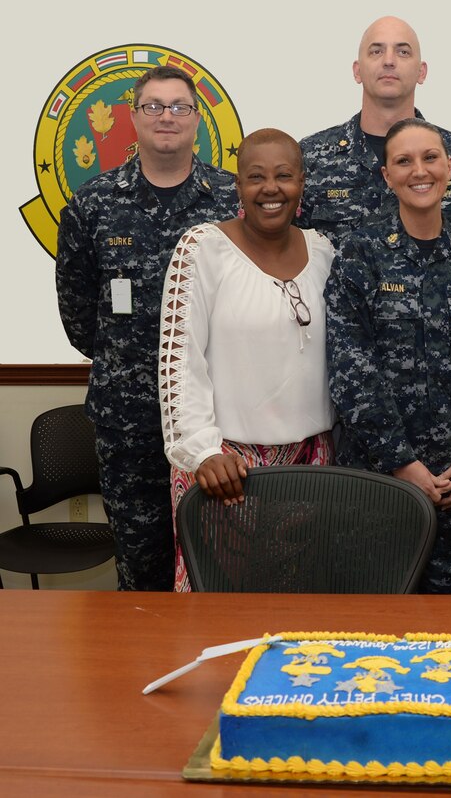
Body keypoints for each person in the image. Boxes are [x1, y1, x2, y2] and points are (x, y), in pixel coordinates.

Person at [56, 66, 238, 591]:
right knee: (141, 569)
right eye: (153, 106)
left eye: (180, 106)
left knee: (221, 564)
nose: (166, 117)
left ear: (197, 120)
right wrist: (130, 364)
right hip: (129, 420)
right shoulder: (93, 204)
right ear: (132, 118)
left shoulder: (230, 201)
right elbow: (78, 315)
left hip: (216, 420)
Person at [326, 118, 451, 594]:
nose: (419, 171)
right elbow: (352, 370)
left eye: (430, 157)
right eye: (403, 161)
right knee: (373, 631)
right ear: (386, 176)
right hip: (379, 482)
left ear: (449, 167)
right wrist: (400, 462)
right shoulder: (358, 254)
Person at [159, 128, 336, 592]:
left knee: (299, 618)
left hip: (309, 468)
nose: (270, 188)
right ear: (237, 186)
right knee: (219, 620)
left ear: (302, 183)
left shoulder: (324, 252)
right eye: (255, 176)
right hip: (225, 472)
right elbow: (181, 358)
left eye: (284, 175)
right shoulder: (202, 249)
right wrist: (203, 452)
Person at [298, 16, 451, 248]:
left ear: (421, 72)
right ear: (357, 71)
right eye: (376, 51)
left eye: (403, 52)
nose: (388, 61)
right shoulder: (310, 158)